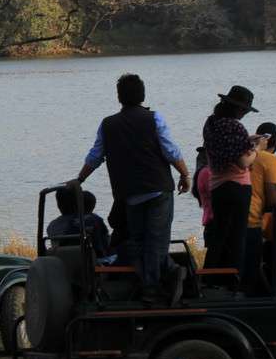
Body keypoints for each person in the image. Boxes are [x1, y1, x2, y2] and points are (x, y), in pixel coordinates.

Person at [75, 74, 190, 306]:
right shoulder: (154, 118)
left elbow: (95, 156)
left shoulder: (107, 125)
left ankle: (161, 280)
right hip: (158, 189)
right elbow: (170, 151)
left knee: (139, 241)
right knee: (156, 241)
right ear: (142, 95)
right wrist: (185, 174)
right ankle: (156, 286)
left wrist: (79, 179)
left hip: (129, 194)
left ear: (119, 97)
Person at [202, 85, 258, 277]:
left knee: (219, 236)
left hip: (217, 186)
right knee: (237, 237)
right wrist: (257, 149)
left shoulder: (211, 123)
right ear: (239, 109)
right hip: (237, 186)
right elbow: (243, 162)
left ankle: (209, 279)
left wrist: (247, 141)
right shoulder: (235, 126)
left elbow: (225, 146)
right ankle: (234, 280)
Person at [244, 122, 276, 290]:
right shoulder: (270, 159)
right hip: (253, 219)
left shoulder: (243, 155)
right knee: (252, 269)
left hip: (233, 215)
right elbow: (272, 200)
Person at [47, 189, 111, 258]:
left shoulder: (52, 225)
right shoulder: (92, 220)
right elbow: (104, 243)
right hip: (89, 262)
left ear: (58, 204)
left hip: (62, 261)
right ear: (79, 202)